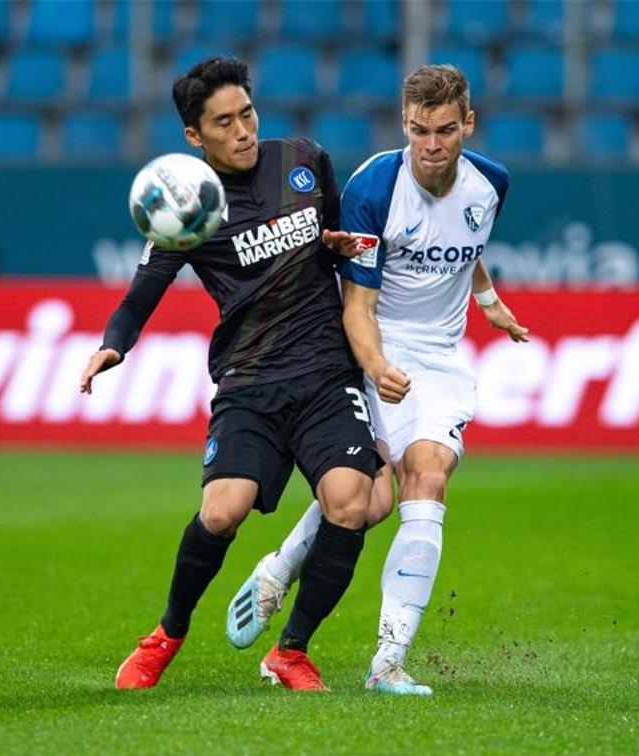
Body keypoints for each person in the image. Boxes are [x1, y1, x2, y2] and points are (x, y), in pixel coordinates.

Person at [79, 57, 382, 692]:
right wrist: (114, 345)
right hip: (249, 381)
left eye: (247, 113)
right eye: (225, 122)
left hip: (327, 373)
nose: (244, 130)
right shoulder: (188, 208)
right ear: (195, 136)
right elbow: (140, 297)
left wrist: (338, 245)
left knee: (351, 504)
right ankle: (167, 633)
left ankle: (291, 650)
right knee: (221, 512)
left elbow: (338, 235)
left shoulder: (303, 157)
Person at [226, 64, 530, 696]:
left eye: (446, 130)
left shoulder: (491, 184)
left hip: (441, 359)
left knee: (428, 476)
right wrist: (376, 366)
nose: (432, 145)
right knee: (369, 502)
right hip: (372, 347)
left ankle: (387, 662)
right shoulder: (373, 188)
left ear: (467, 124)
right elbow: (356, 306)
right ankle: (277, 571)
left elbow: (467, 245)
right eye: (419, 131)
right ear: (405, 124)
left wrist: (489, 298)